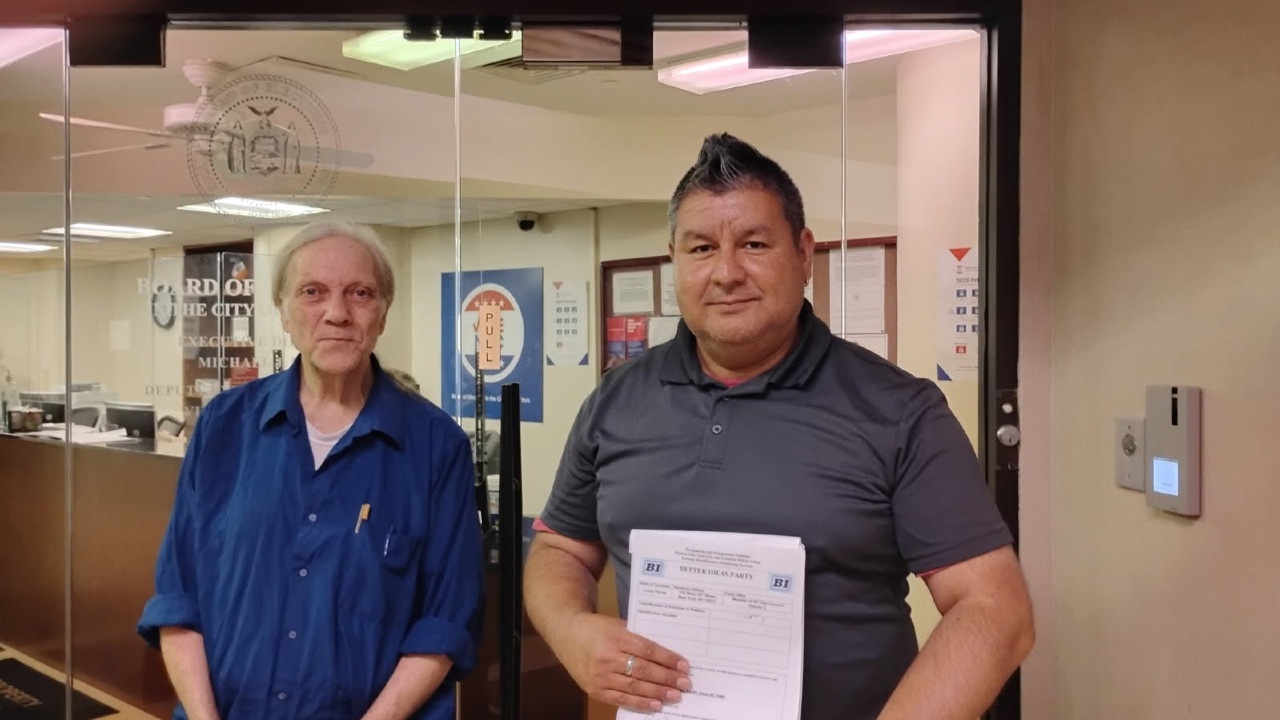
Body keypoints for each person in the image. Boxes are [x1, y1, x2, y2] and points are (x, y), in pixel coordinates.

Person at [524, 133, 1034, 720]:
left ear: (804, 254)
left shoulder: (898, 410)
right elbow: (560, 547)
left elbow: (994, 609)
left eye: (754, 243)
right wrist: (571, 631)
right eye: (700, 249)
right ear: (674, 261)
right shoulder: (616, 399)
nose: (726, 272)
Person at [137, 220, 485, 720]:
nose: (337, 313)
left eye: (360, 293)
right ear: (283, 310)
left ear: (384, 313)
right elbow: (178, 598)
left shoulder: (435, 446)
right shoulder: (224, 425)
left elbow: (445, 622)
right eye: (312, 292)